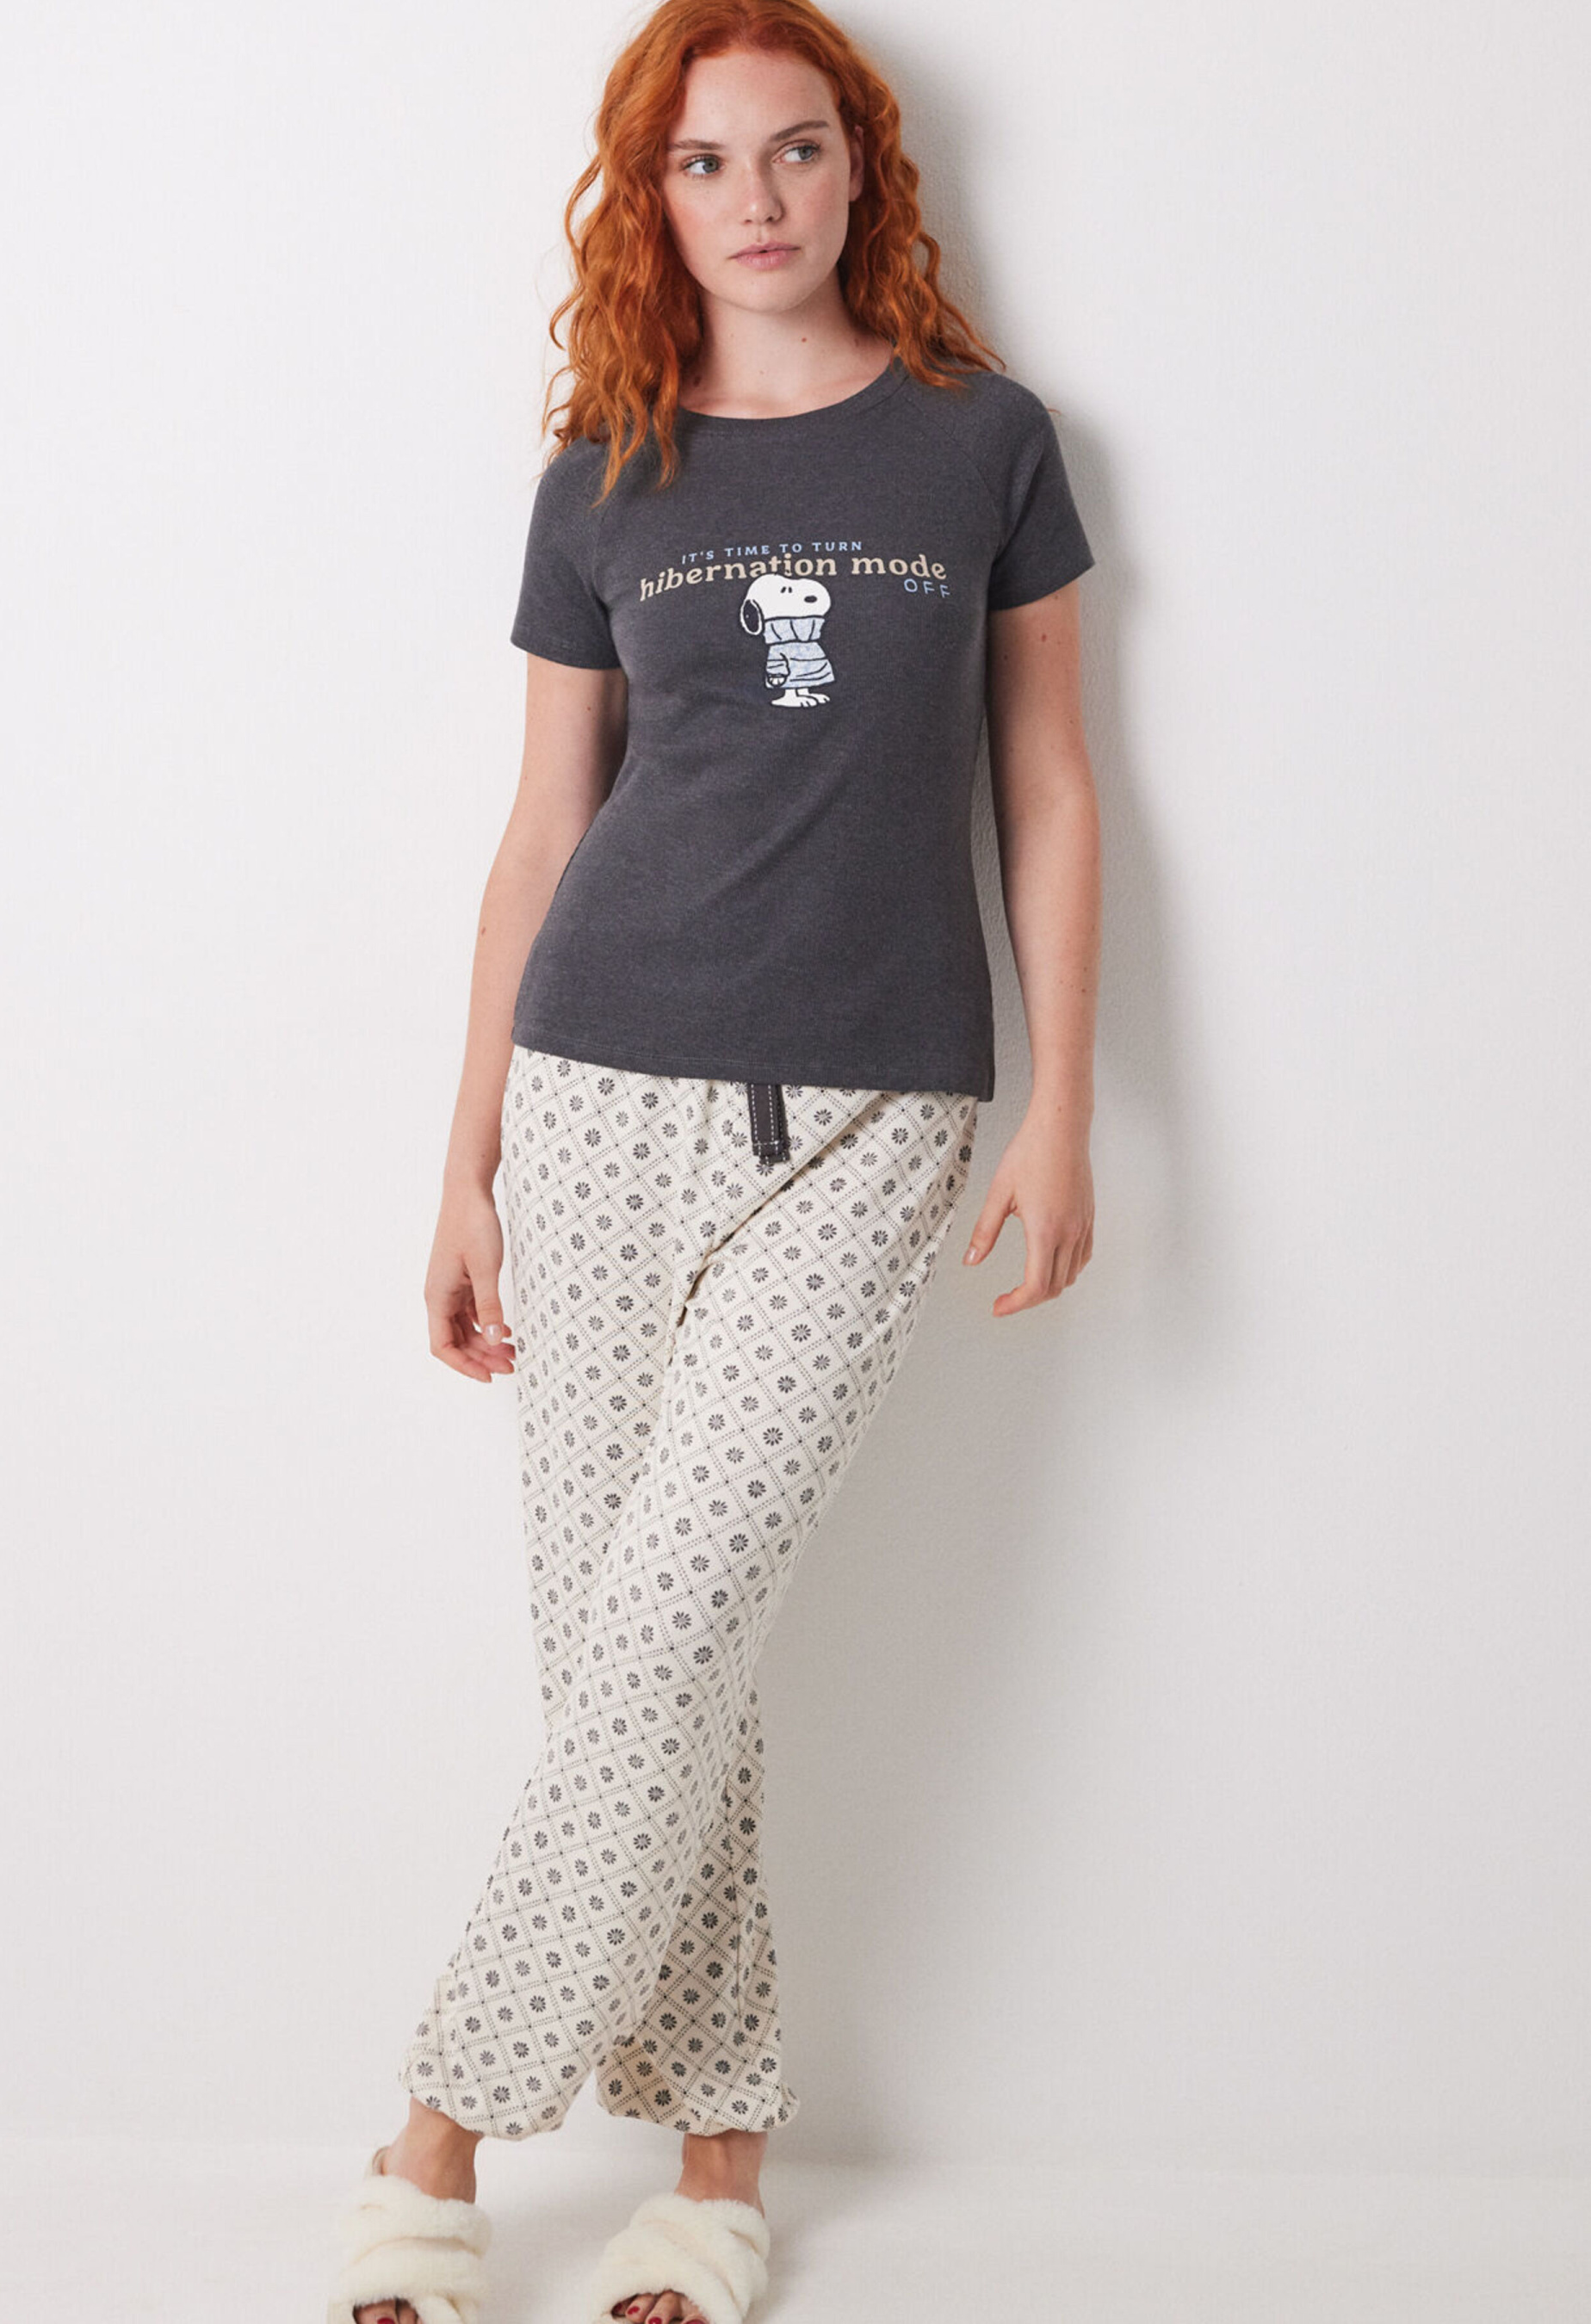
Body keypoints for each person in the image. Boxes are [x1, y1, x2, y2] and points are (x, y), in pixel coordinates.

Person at [324, 5, 1099, 2321]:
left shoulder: (983, 445)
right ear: (648, 201)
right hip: (591, 1089)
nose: (754, 199)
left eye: (794, 150)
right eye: (701, 163)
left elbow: (1048, 785)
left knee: (670, 1626)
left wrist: (1062, 1098)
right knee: (642, 1661)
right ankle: (717, 2162)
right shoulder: (607, 472)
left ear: (863, 172)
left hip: (872, 1111)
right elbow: (542, 828)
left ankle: (434, 2129)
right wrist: (463, 1159)